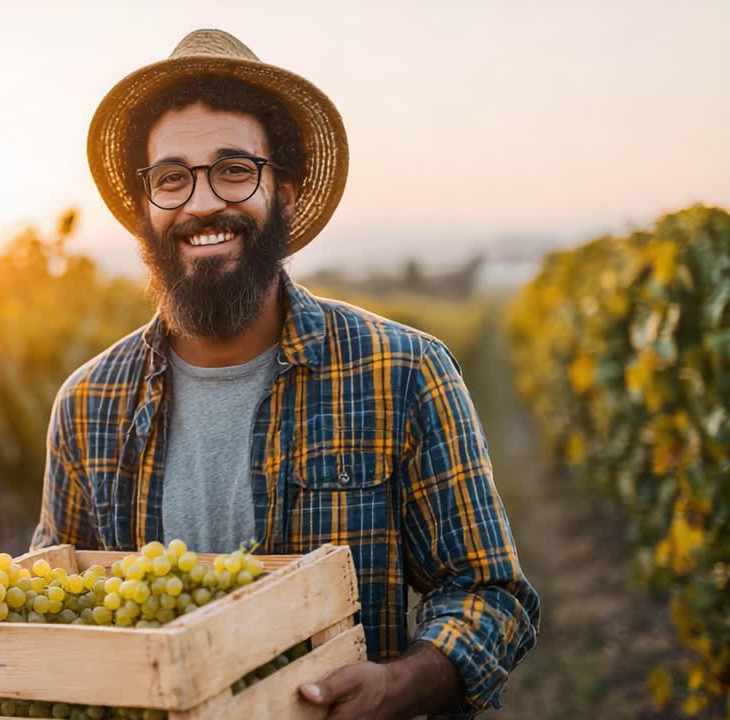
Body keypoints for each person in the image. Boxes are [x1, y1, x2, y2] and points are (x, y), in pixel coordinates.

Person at [30, 28, 539, 719]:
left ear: (286, 191)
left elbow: (490, 593)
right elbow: (51, 611)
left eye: (234, 169)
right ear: (146, 209)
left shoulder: (404, 372)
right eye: (172, 178)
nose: (203, 203)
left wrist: (398, 684)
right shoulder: (87, 406)